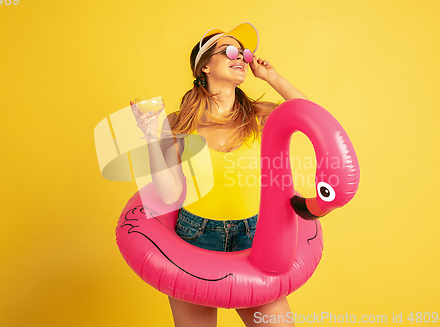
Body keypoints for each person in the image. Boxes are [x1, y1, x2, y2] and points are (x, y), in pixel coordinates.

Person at [131, 22, 308, 327]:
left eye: (243, 53)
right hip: (194, 236)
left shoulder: (261, 114)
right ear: (205, 67)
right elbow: (169, 193)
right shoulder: (176, 123)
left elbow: (310, 116)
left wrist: (272, 77)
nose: (239, 56)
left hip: (256, 235)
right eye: (228, 51)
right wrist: (150, 137)